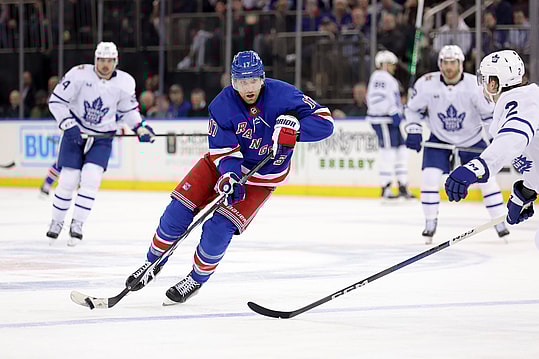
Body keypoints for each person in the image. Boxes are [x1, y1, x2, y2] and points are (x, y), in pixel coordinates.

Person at [125, 50, 334, 305]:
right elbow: (225, 152)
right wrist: (229, 177)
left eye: (253, 80)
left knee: (218, 227)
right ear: (233, 82)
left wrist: (296, 128)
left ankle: (196, 279)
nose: (248, 87)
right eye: (242, 82)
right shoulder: (222, 105)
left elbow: (325, 123)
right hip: (221, 166)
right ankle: (152, 262)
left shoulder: (283, 94)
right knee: (177, 210)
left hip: (262, 177)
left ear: (262, 78)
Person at [45, 41, 156, 246]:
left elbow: (128, 110)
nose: (105, 65)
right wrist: (68, 124)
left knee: (91, 179)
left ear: (116, 61)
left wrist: (140, 128)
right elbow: (56, 101)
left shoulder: (125, 82)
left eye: (109, 60)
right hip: (75, 132)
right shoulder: (78, 74)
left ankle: (77, 224)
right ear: (95, 60)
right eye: (102, 60)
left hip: (102, 138)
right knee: (68, 179)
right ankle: (56, 222)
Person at [404, 45, 509, 244]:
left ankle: (499, 221)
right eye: (445, 62)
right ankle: (430, 222)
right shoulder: (426, 84)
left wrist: (496, 139)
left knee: (487, 181)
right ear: (439, 64)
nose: (449, 67)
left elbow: (488, 116)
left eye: (453, 62)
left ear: (461, 63)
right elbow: (412, 110)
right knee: (429, 177)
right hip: (439, 138)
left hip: (471, 140)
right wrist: (414, 130)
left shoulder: (475, 86)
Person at [445, 50, 539, 227]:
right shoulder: (525, 99)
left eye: (485, 80)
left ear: (494, 83)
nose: (483, 86)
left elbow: (513, 138)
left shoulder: (522, 101)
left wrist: (476, 168)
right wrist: (526, 191)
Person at [366, 51, 413, 200]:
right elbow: (377, 99)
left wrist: (402, 109)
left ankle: (402, 184)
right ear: (384, 64)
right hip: (384, 120)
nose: (394, 67)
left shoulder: (388, 78)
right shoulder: (380, 76)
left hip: (390, 120)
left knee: (401, 150)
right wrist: (392, 111)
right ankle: (385, 186)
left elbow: (391, 99)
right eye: (391, 64)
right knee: (388, 152)